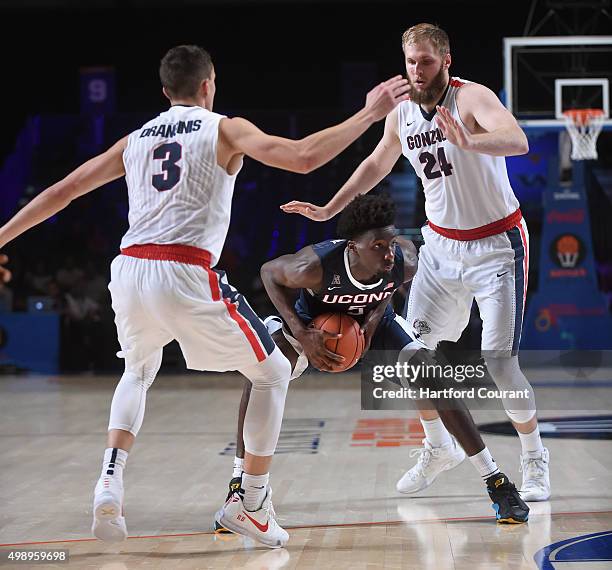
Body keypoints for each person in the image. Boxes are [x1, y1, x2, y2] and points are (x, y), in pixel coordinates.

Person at [0, 45, 410, 549]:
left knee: (137, 372)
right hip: (183, 270)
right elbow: (303, 157)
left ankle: (109, 480)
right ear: (209, 85)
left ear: (165, 91)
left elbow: (62, 190)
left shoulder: (136, 139)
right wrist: (370, 113)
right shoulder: (222, 128)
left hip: (128, 270)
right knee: (273, 371)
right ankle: (252, 504)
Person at [281, 23, 550, 503]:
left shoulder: (471, 99)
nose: (417, 70)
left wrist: (470, 141)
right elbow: (376, 164)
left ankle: (534, 458)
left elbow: (517, 140)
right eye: (410, 62)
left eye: (426, 61)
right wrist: (329, 209)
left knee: (500, 364)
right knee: (412, 360)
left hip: (496, 246)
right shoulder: (401, 112)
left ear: (447, 60)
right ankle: (437, 447)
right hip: (441, 249)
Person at [217, 193, 529, 527]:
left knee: (431, 374)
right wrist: (301, 331)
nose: (387, 252)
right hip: (314, 325)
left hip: (372, 327)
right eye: (377, 246)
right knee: (262, 373)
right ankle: (240, 482)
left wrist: (371, 321)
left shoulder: (404, 259)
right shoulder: (315, 266)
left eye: (390, 242)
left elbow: (391, 285)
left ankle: (496, 482)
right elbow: (268, 273)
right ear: (352, 247)